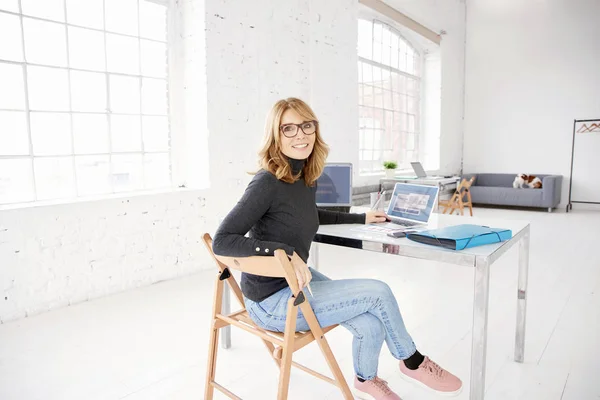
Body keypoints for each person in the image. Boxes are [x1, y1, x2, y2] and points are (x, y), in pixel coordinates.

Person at [213, 98, 462, 399]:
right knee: (378, 291)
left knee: (371, 322)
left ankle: (365, 379)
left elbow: (310, 215)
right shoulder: (267, 182)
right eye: (288, 128)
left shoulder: (305, 177)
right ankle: (412, 361)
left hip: (294, 284)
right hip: (271, 303)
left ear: (315, 129)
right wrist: (285, 252)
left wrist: (362, 217)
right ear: (275, 135)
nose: (300, 135)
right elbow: (223, 240)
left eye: (306, 125)